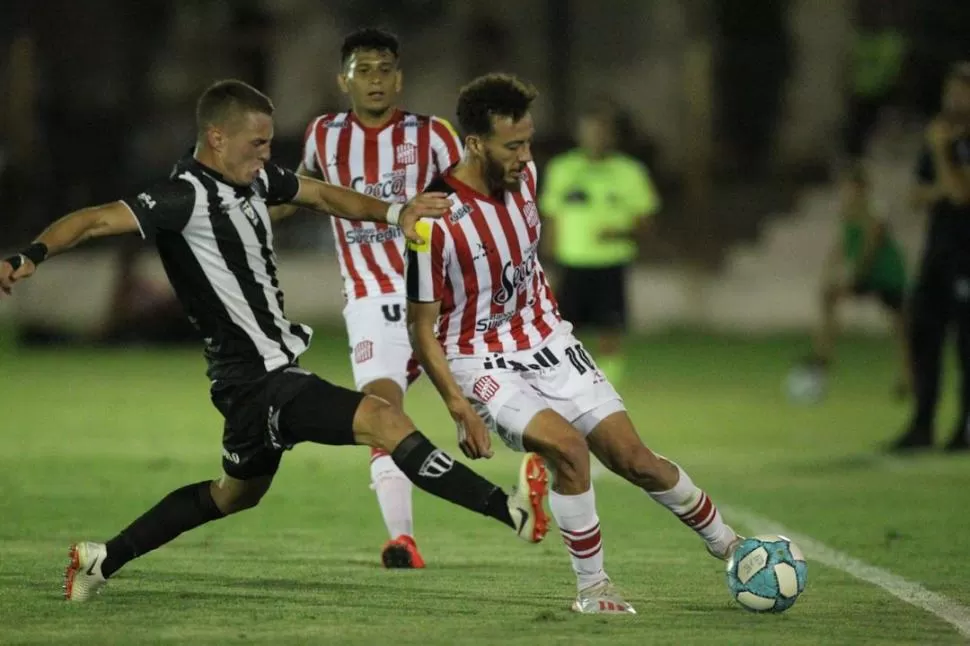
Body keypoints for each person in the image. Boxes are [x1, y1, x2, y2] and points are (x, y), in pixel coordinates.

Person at [0, 79, 549, 603]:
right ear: (218, 137)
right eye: (257, 142)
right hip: (259, 379)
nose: (267, 153)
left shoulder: (256, 181)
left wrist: (396, 212)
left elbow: (322, 195)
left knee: (233, 494)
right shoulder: (182, 197)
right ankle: (510, 511)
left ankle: (100, 560)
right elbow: (95, 221)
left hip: (249, 385)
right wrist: (31, 253)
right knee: (385, 418)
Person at [405, 73, 741, 614]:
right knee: (568, 448)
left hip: (548, 339)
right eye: (512, 145)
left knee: (636, 460)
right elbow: (421, 326)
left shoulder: (529, 175)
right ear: (474, 144)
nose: (525, 155)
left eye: (529, 141)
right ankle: (594, 588)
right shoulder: (433, 220)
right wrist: (456, 404)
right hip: (479, 358)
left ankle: (731, 547)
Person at [271, 28, 463, 568]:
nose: (375, 80)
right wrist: (250, 218)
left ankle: (536, 470)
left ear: (399, 78)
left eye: (384, 69)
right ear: (344, 80)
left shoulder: (434, 136)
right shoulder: (323, 135)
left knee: (490, 407)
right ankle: (402, 539)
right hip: (370, 298)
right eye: (364, 70)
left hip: (438, 299)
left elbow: (467, 201)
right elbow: (301, 194)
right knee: (381, 409)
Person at [538, 100, 660, 386]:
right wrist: (548, 258)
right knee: (562, 328)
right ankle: (567, 381)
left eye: (602, 131)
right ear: (580, 134)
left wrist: (618, 233)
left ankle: (607, 385)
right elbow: (551, 215)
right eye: (590, 131)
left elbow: (646, 223)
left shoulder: (630, 172)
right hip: (571, 261)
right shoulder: (563, 168)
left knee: (610, 328)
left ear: (613, 135)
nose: (596, 137)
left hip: (610, 261)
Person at [890, 63, 970, 452]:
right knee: (924, 336)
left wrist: (942, 153)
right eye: (952, 89)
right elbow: (917, 195)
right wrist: (945, 179)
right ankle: (922, 425)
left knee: (966, 346)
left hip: (966, 256)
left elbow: (959, 195)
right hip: (938, 253)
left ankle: (964, 429)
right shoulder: (941, 134)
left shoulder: (947, 141)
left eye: (962, 91)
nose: (954, 98)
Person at [794, 162, 910, 400]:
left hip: (885, 273)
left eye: (852, 187)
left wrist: (856, 274)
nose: (848, 192)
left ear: (862, 188)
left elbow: (871, 243)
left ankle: (907, 376)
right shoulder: (847, 211)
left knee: (900, 326)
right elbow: (843, 243)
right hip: (865, 273)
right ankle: (823, 356)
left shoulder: (874, 210)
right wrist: (830, 267)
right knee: (829, 297)